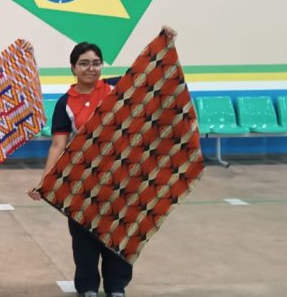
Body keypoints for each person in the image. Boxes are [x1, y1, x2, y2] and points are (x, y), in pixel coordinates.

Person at [28, 27, 176, 297]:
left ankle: (116, 286)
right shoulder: (65, 104)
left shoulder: (116, 89)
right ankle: (87, 286)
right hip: (82, 183)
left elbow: (148, 72)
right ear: (73, 68)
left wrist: (164, 40)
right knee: (83, 237)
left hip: (122, 179)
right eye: (84, 63)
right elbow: (58, 145)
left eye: (96, 63)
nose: (91, 68)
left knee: (120, 233)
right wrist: (46, 180)